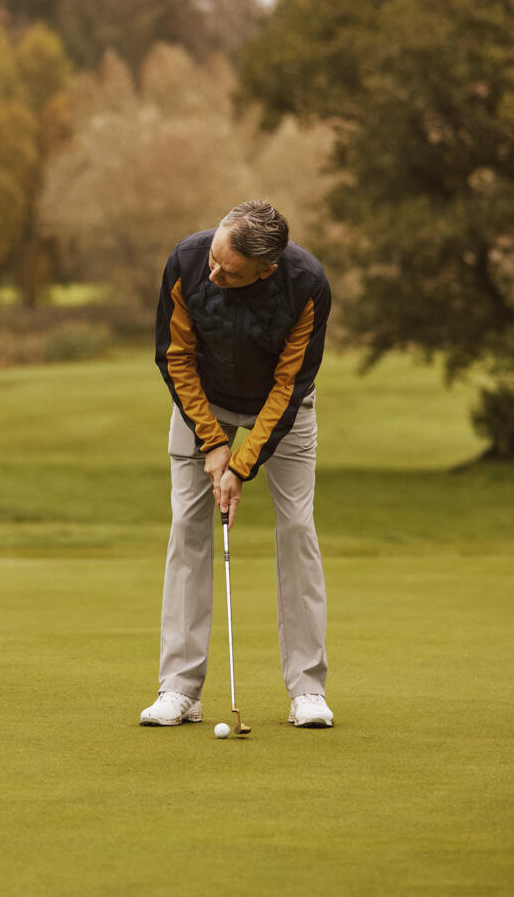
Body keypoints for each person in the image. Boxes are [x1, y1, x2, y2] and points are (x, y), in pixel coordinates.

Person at [140, 201, 334, 728]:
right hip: (202, 398)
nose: (213, 271)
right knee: (187, 523)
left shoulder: (306, 285)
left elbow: (288, 387)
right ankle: (179, 689)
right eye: (214, 257)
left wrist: (241, 466)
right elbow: (174, 357)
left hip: (282, 404)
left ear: (265, 269)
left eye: (229, 270)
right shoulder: (186, 260)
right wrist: (212, 443)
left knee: (296, 527)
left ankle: (308, 691)